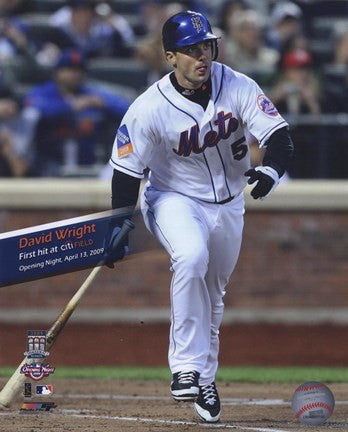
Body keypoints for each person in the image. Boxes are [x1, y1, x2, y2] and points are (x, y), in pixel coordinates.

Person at [108, 10, 293, 423]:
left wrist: (271, 170)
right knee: (190, 257)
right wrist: (119, 221)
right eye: (191, 50)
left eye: (206, 46)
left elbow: (279, 135)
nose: (201, 56)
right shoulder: (148, 107)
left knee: (213, 296)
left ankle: (204, 380)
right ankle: (185, 368)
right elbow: (126, 170)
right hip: (174, 199)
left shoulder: (236, 84)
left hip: (229, 203)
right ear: (170, 56)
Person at [24, 49, 130, 176]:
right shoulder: (43, 92)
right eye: (69, 69)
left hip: (88, 161)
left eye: (79, 70)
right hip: (49, 162)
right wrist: (69, 107)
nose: (75, 74)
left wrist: (104, 104)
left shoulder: (91, 93)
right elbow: (33, 108)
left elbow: (128, 110)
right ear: (57, 72)